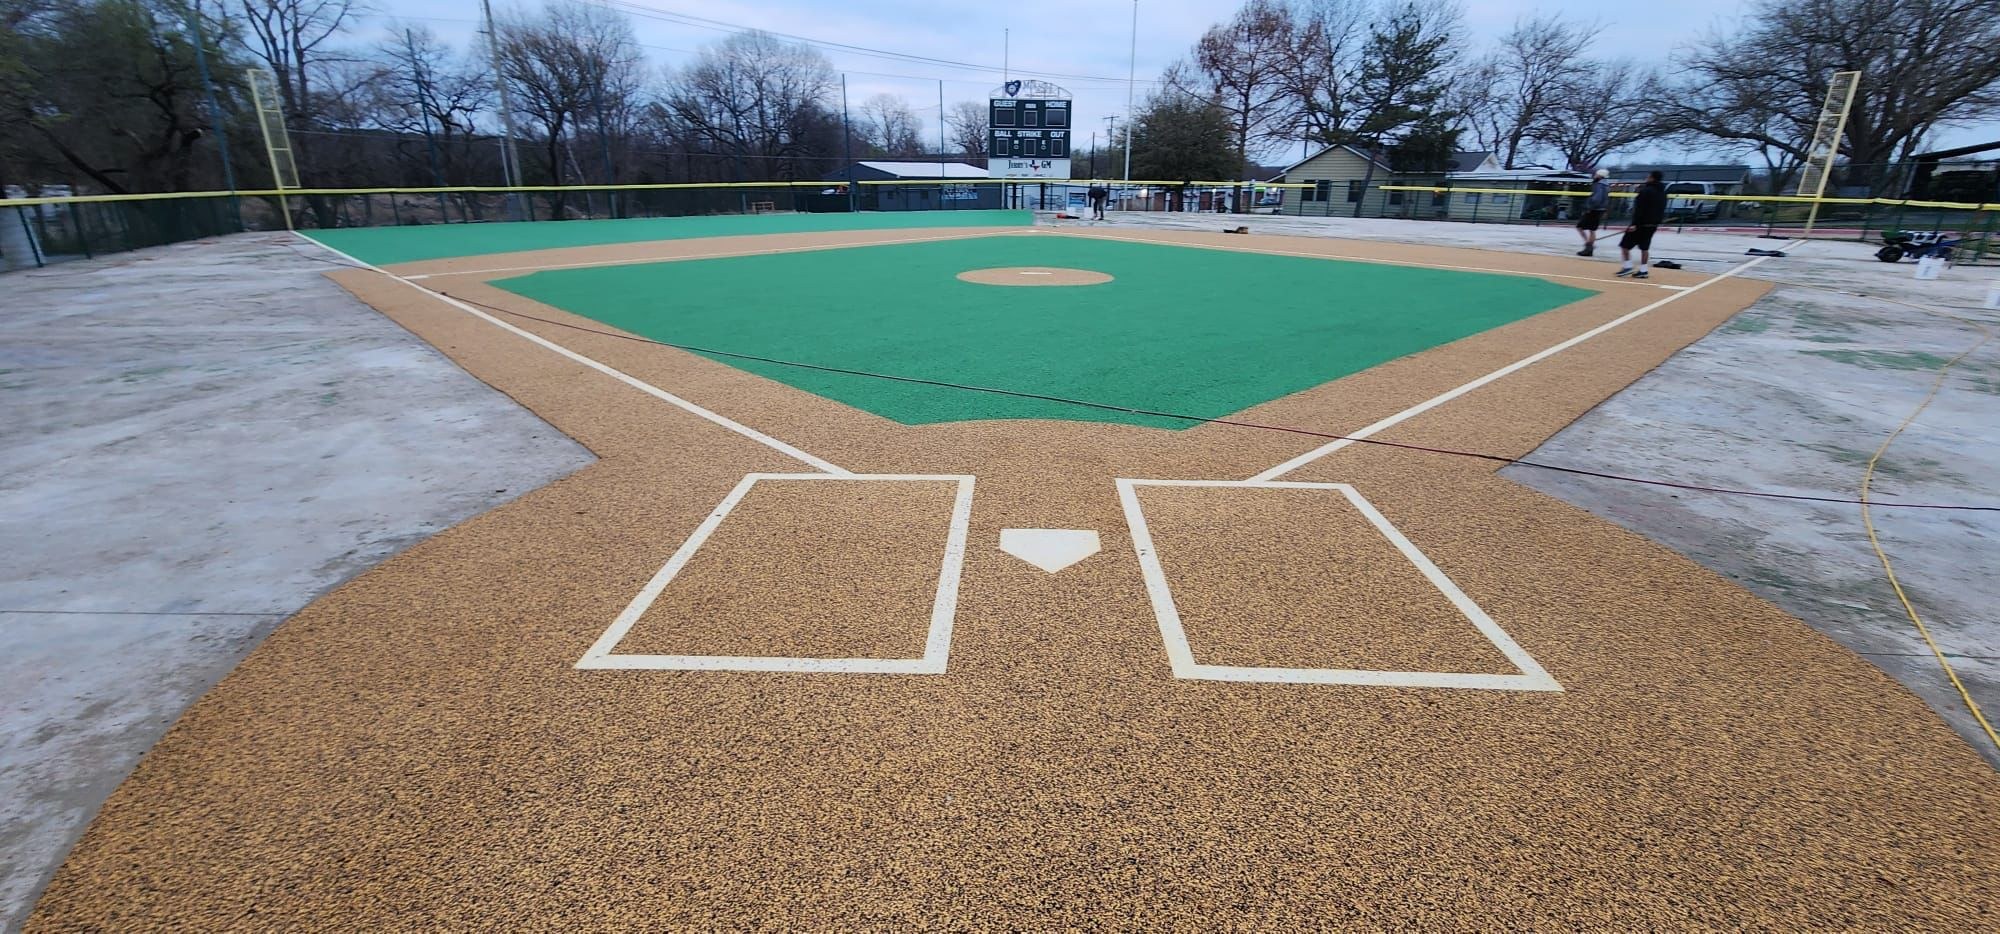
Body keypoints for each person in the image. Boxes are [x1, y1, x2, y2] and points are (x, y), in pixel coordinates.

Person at [1618, 170, 1668, 279]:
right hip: (1653, 224)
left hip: (1640, 224)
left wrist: (1634, 223)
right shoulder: (1663, 193)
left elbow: (1640, 209)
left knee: (1624, 245)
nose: (1647, 178)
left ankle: (1628, 266)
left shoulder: (1646, 191)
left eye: (1648, 176)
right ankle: (1643, 270)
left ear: (1652, 177)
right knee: (1644, 248)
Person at [1575, 168, 1610, 256]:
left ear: (1600, 175)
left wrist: (1590, 207)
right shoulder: (1606, 185)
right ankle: (1589, 247)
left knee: (1580, 226)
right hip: (1600, 209)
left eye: (1596, 174)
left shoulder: (1599, 185)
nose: (1595, 175)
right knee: (1592, 229)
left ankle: (1588, 246)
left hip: (1594, 209)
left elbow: (1596, 198)